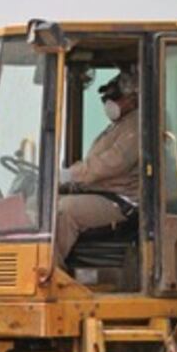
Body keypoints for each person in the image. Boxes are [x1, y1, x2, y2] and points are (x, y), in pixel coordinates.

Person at [55, 69, 140, 266]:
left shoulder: (137, 125)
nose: (109, 104)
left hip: (122, 201)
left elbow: (109, 164)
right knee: (43, 204)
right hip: (103, 194)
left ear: (132, 97)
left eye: (115, 97)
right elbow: (93, 165)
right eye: (106, 99)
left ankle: (49, 272)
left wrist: (69, 175)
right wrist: (69, 182)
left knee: (64, 211)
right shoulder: (118, 126)